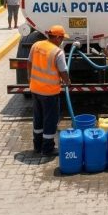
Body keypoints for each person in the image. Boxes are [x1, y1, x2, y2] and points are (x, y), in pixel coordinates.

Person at [27, 25, 69, 156]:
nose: (62, 40)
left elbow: (29, 63)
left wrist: (30, 79)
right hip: (49, 92)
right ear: (56, 37)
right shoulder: (57, 52)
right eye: (61, 38)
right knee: (50, 120)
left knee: (38, 118)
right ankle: (47, 149)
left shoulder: (36, 45)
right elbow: (63, 71)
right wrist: (67, 81)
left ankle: (37, 146)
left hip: (35, 89)